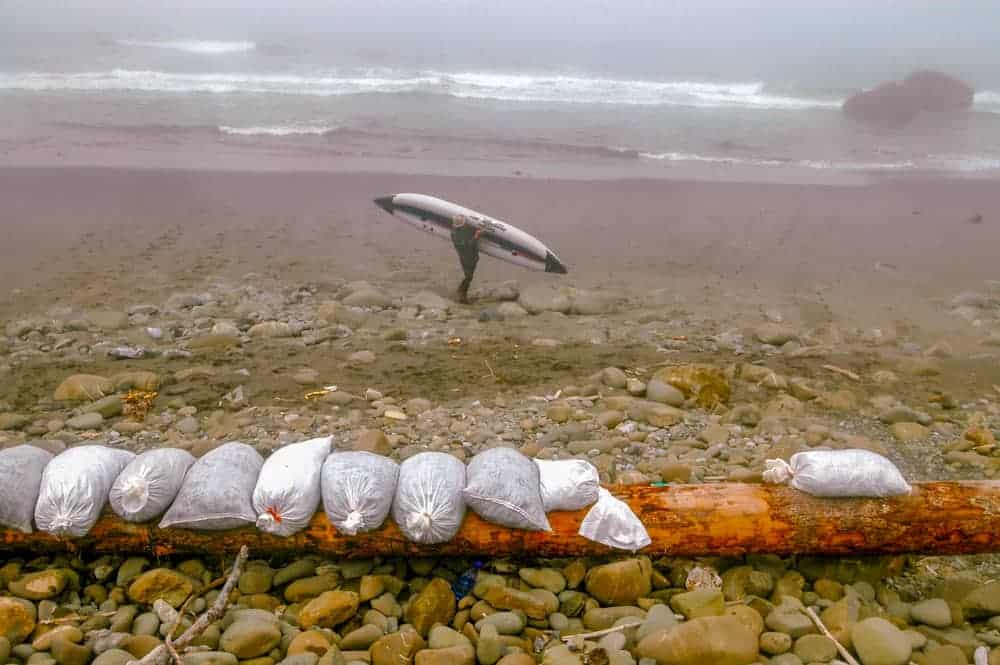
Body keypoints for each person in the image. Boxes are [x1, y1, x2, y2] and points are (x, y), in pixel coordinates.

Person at [450, 214, 483, 304]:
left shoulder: (464, 228)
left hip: (472, 256)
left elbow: (471, 230)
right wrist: (476, 236)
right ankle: (462, 295)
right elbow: (467, 245)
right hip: (466, 258)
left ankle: (460, 291)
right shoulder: (455, 234)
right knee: (469, 276)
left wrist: (480, 230)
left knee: (469, 276)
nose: (465, 224)